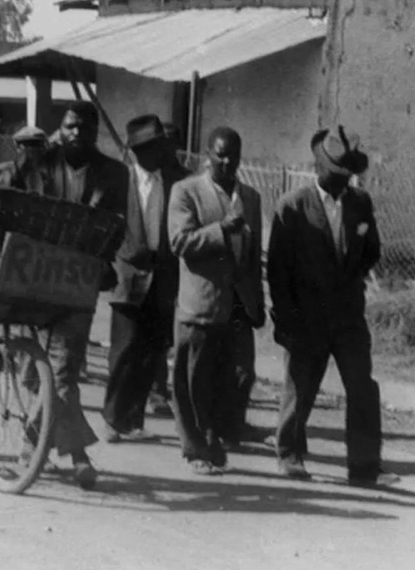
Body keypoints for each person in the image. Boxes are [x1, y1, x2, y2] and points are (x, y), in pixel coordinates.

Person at [268, 126, 389, 487]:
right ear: (317, 166)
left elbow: (372, 251)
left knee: (362, 386)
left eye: (346, 175)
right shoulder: (293, 206)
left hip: (348, 315)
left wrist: (350, 277)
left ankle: (364, 466)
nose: (341, 182)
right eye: (335, 174)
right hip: (306, 316)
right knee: (300, 387)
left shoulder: (360, 203)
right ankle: (289, 453)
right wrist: (286, 317)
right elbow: (278, 270)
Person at [19, 102, 129, 489]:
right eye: (69, 126)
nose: (76, 133)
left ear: (96, 132)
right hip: (35, 275)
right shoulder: (39, 164)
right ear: (60, 129)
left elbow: (117, 227)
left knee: (63, 369)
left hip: (79, 278)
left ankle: (55, 450)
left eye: (84, 127)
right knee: (34, 370)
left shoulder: (114, 173)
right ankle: (52, 449)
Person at [167, 126, 264, 475]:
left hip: (238, 302)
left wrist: (257, 301)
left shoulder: (250, 197)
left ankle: (221, 431)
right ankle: (197, 448)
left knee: (241, 373)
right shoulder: (186, 191)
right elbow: (180, 242)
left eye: (233, 156)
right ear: (208, 154)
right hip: (201, 302)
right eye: (220, 155)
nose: (227, 162)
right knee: (194, 380)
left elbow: (253, 254)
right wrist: (221, 229)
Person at [102, 114, 191, 443]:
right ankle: (112, 418)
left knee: (152, 351)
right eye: (147, 148)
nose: (155, 153)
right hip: (128, 275)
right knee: (124, 349)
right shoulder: (119, 180)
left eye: (158, 146)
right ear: (135, 151)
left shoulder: (176, 180)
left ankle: (133, 420)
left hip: (163, 276)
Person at [0, 125, 50, 190]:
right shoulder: (3, 171)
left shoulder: (38, 177)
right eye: (35, 145)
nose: (41, 152)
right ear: (20, 147)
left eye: (42, 147)